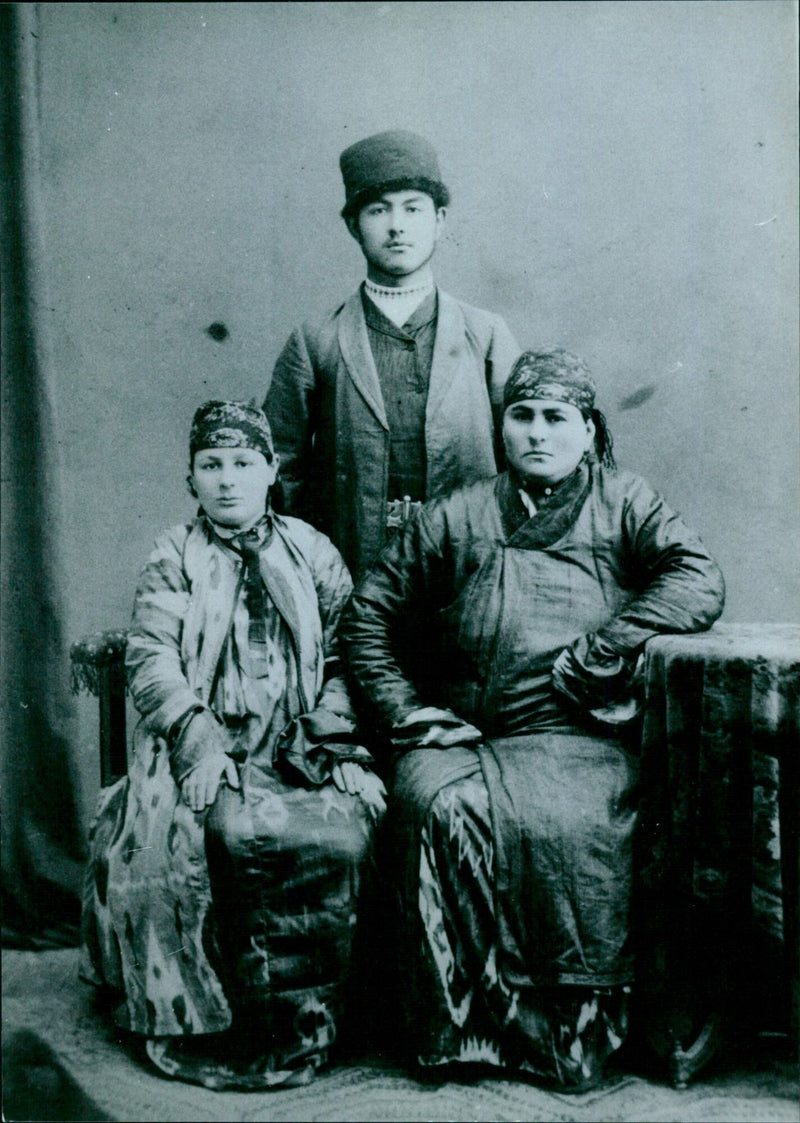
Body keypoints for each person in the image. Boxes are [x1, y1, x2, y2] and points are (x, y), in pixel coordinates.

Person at [340, 350, 725, 1090]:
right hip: (469, 736)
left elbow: (697, 577)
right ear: (502, 429)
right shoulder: (457, 514)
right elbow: (367, 618)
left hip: (583, 735)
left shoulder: (625, 501)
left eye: (556, 419)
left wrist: (607, 643)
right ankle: (461, 1034)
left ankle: (569, 1039)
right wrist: (406, 711)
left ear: (589, 431)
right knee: (440, 806)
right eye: (522, 417)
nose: (537, 434)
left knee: (579, 825)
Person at [80, 401, 385, 1090]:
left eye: (243, 464)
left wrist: (338, 749)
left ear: (271, 470)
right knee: (196, 838)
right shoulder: (173, 554)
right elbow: (152, 656)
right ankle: (223, 1024)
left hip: (298, 743)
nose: (227, 480)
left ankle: (314, 1021)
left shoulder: (311, 550)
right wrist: (198, 739)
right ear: (191, 477)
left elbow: (345, 660)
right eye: (210, 465)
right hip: (201, 743)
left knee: (341, 837)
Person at [264, 129, 520, 581]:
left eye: (413, 208)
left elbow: (527, 458)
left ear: (440, 220)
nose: (396, 225)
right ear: (353, 225)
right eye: (378, 210)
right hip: (351, 575)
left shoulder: (487, 335)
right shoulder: (315, 341)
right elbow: (278, 468)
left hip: (470, 574)